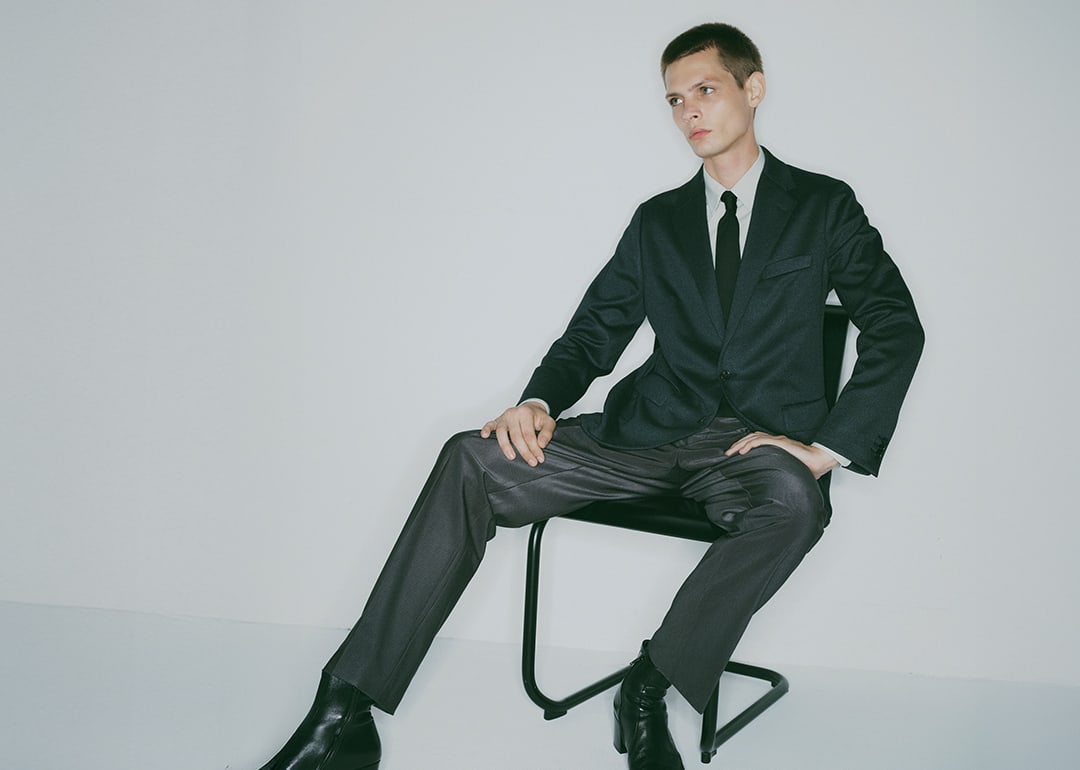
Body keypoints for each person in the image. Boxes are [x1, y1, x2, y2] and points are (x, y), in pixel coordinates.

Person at [253, 22, 923, 770]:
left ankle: (647, 688)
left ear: (753, 88)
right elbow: (594, 330)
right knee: (470, 457)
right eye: (675, 99)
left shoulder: (823, 206)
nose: (689, 111)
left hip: (749, 451)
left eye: (705, 90)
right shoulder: (658, 221)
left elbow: (896, 326)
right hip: (644, 436)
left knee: (796, 503)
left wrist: (825, 450)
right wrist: (538, 402)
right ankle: (345, 712)